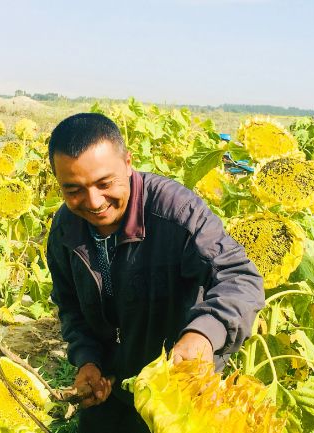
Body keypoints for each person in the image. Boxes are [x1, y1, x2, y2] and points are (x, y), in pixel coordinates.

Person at [46, 113, 265, 433]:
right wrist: (87, 359)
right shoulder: (66, 228)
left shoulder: (175, 211)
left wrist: (203, 334)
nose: (93, 202)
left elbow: (239, 278)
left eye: (105, 184)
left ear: (128, 163)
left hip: (177, 390)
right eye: (74, 189)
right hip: (111, 388)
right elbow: (70, 305)